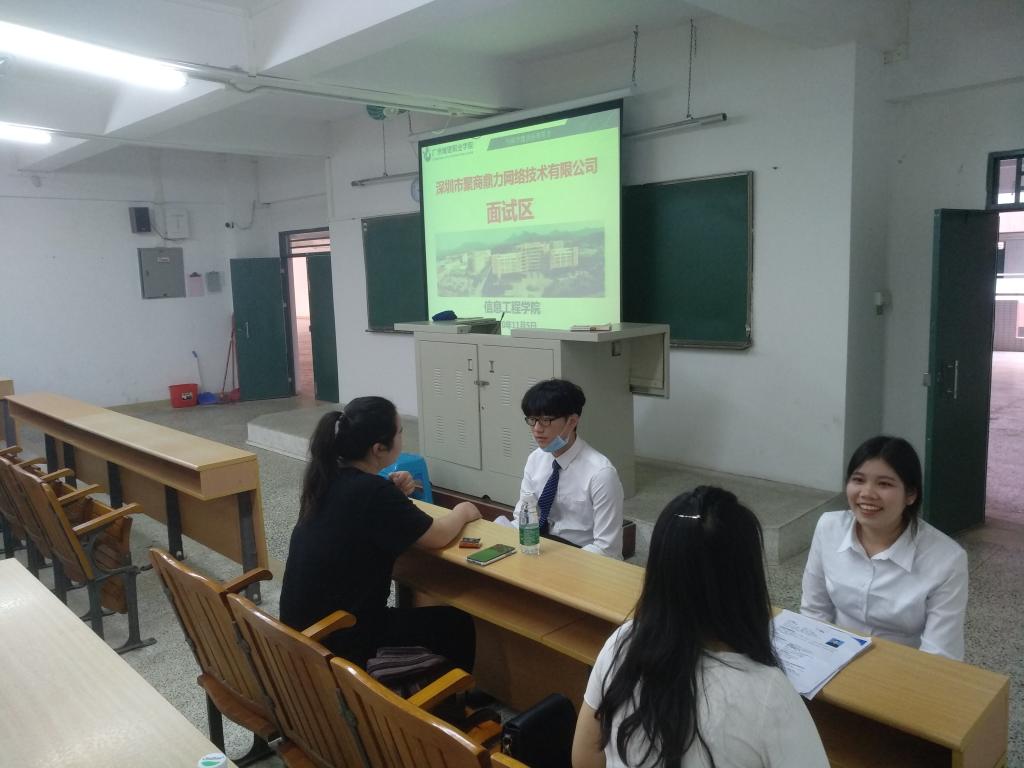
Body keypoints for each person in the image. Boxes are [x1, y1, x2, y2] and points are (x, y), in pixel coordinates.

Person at [572, 486, 828, 768]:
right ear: (746, 584)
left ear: (658, 573)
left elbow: (584, 758)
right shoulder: (768, 692)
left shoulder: (623, 642)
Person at [279, 396, 481, 670]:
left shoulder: (327, 477)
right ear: (378, 449)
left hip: (302, 636)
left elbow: (362, 516)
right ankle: (443, 695)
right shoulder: (374, 493)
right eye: (399, 432)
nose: (402, 437)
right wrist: (463, 511)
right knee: (456, 624)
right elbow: (438, 535)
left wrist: (391, 492)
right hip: (341, 641)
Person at [800, 435, 968, 660]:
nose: (867, 493)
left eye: (884, 484)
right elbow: (814, 611)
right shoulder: (828, 527)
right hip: (832, 657)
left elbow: (939, 655)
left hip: (905, 668)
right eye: (858, 480)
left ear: (911, 494)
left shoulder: (947, 559)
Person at [519, 378, 624, 558]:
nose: (537, 429)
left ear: (572, 421)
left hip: (584, 558)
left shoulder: (601, 474)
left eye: (546, 420)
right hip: (542, 549)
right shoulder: (535, 459)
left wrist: (560, 563)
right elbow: (523, 517)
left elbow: (607, 548)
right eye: (532, 419)